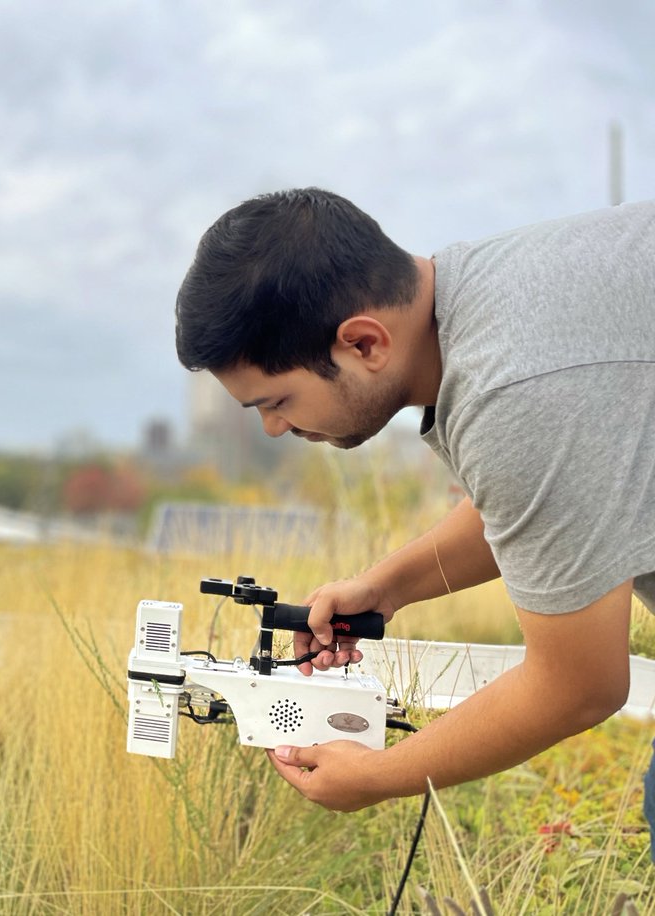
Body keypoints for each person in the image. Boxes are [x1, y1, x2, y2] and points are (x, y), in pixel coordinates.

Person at [174, 188, 655, 858]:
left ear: (364, 342)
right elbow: (555, 495)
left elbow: (580, 686)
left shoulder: (511, 392)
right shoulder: (489, 296)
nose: (275, 428)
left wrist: (378, 776)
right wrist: (388, 587)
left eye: (276, 401)